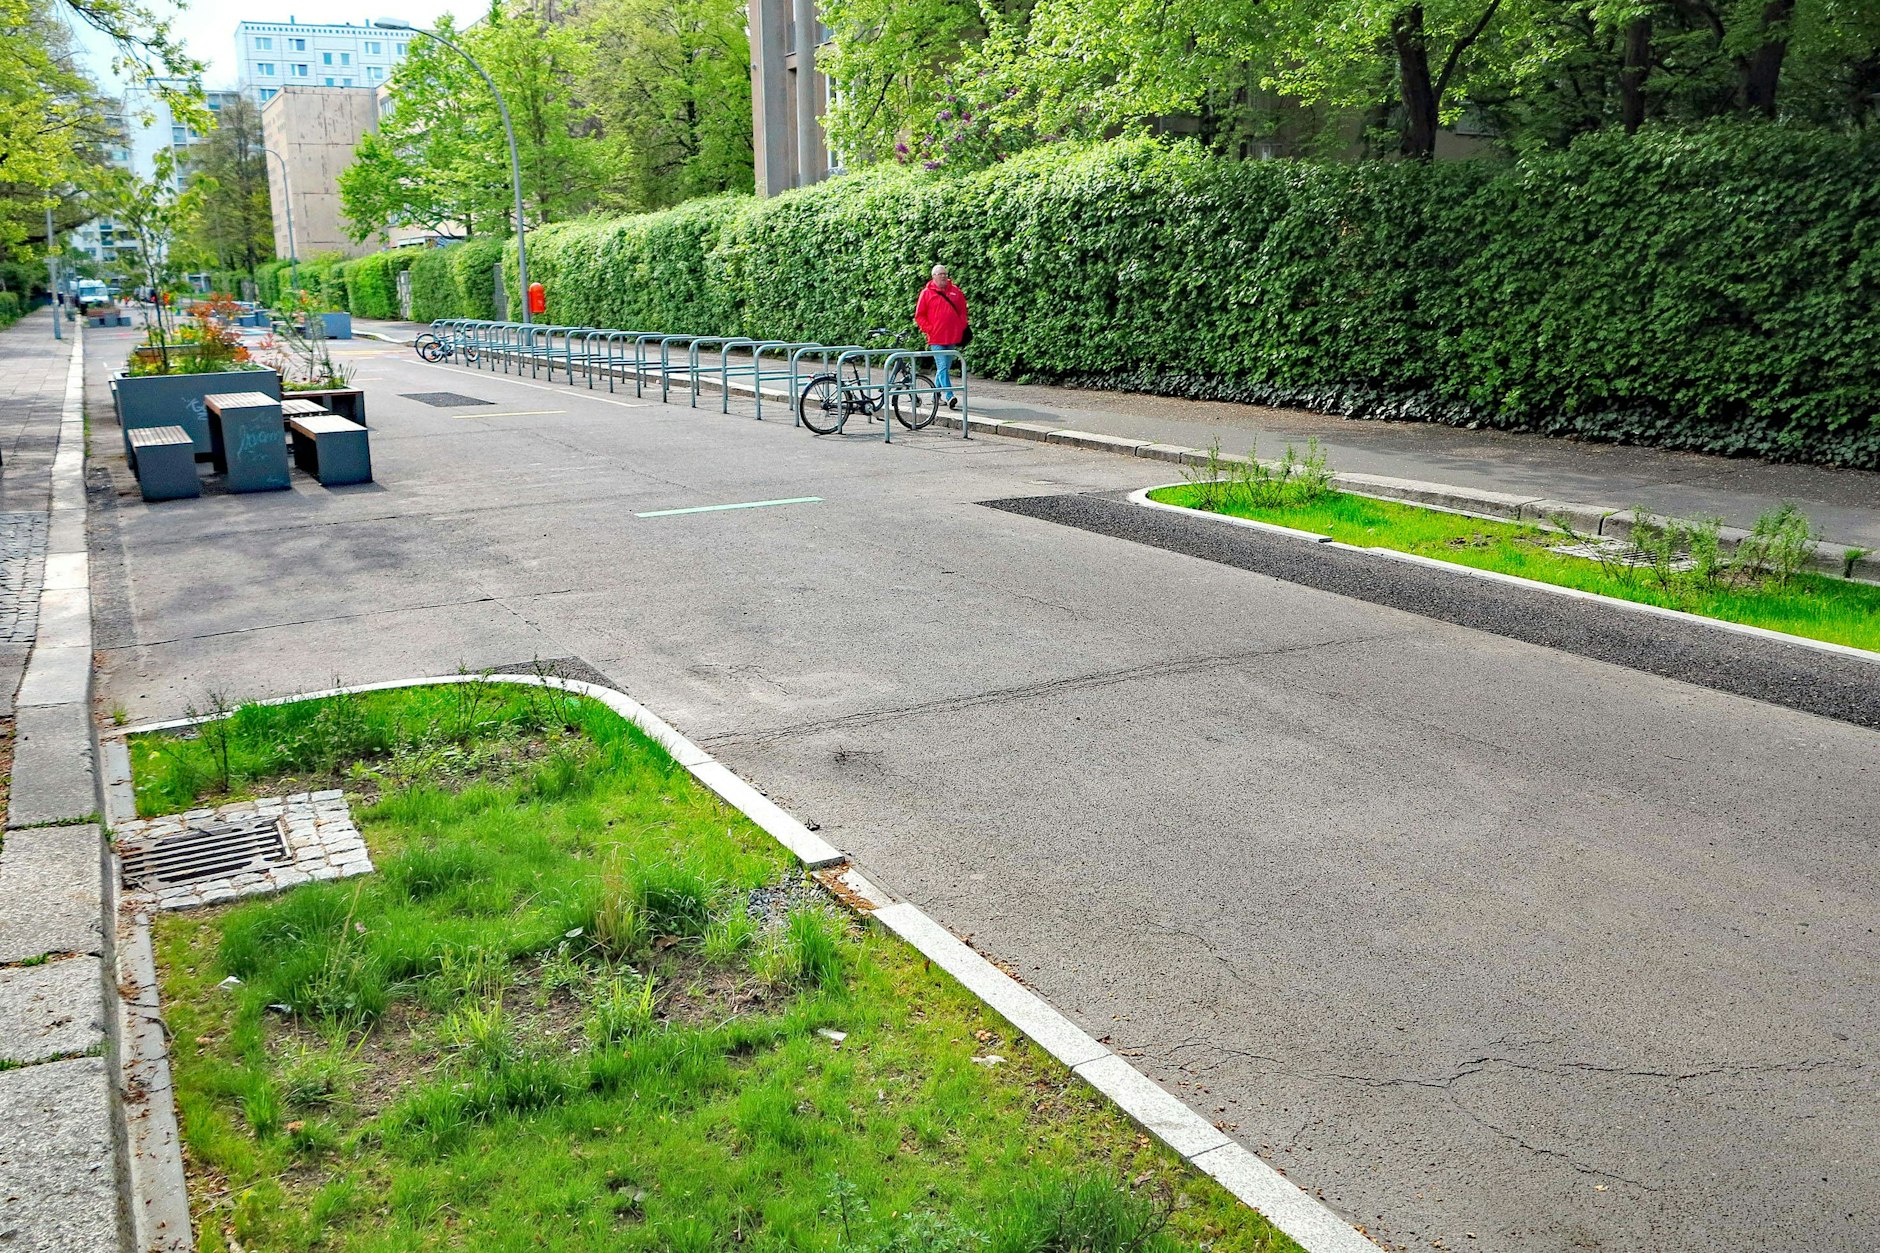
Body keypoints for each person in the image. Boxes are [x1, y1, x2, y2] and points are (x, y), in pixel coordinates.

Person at [914, 263, 968, 409]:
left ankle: (935, 395)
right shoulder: (926, 293)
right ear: (934, 277)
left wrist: (961, 325)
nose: (944, 276)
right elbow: (920, 315)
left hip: (951, 336)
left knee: (943, 368)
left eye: (945, 274)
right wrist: (929, 329)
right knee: (943, 366)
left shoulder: (955, 292)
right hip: (936, 338)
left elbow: (963, 310)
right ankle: (950, 396)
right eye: (940, 274)